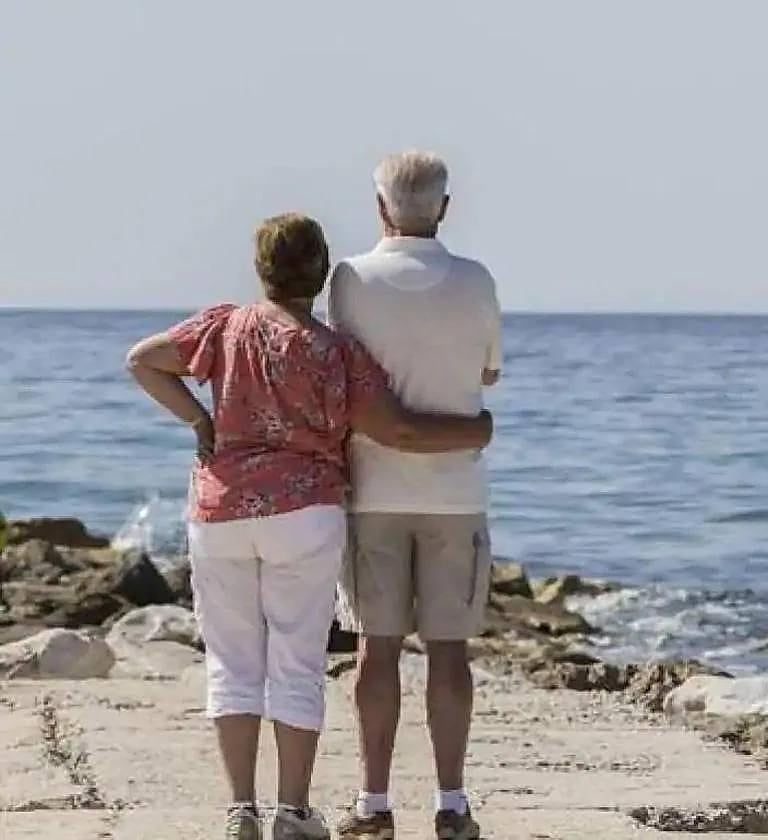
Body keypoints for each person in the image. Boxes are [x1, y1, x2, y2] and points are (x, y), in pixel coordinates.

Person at [126, 213, 494, 840]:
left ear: (260, 269)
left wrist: (199, 423)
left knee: (231, 662)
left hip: (220, 513)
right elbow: (397, 429)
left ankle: (240, 809)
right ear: (321, 274)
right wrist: (475, 431)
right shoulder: (336, 353)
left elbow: (143, 361)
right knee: (296, 659)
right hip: (305, 512)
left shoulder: (222, 325)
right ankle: (292, 812)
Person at [329, 151, 501, 840]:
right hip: (456, 490)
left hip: (371, 489)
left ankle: (374, 804)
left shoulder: (349, 278)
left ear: (379, 208)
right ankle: (452, 803)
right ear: (445, 208)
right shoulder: (476, 280)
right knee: (450, 652)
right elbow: (487, 376)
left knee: (377, 649)